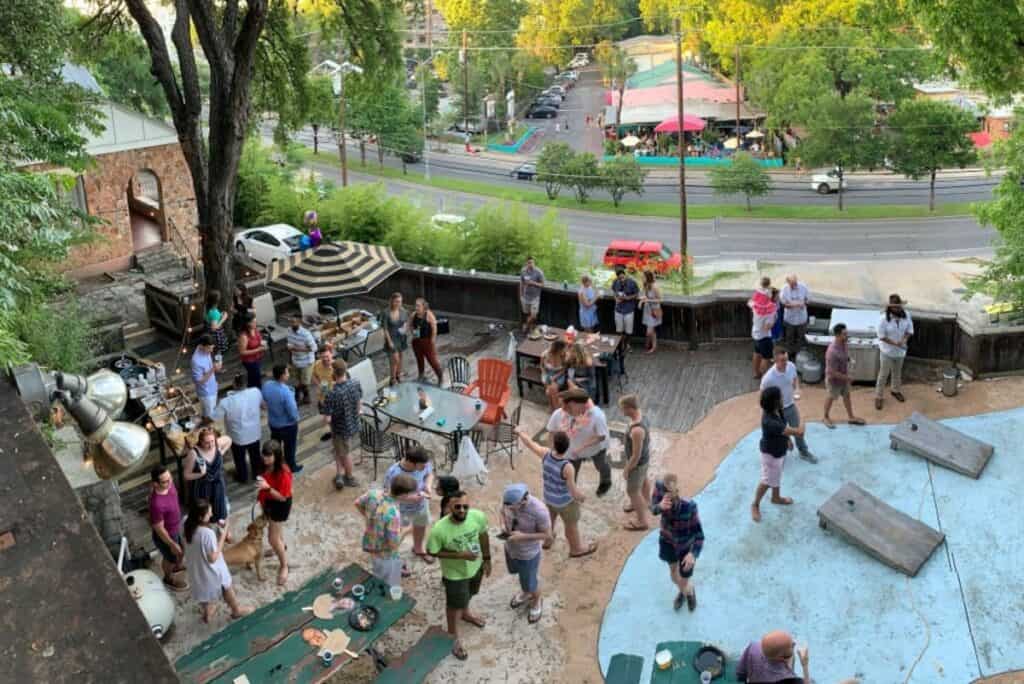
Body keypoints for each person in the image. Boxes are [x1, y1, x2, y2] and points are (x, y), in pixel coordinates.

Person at [427, 490, 492, 661]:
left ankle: (466, 613)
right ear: (449, 507)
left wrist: (487, 559)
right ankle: (452, 636)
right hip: (455, 575)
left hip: (475, 568)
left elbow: (484, 536)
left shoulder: (477, 517)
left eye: (465, 506)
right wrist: (459, 555)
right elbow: (432, 552)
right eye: (457, 507)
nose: (462, 510)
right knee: (453, 605)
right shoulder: (439, 530)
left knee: (469, 594)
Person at [516, 428, 596, 557]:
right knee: (571, 526)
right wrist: (582, 497)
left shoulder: (545, 454)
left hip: (549, 498)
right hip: (565, 503)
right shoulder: (567, 467)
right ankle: (576, 549)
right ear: (567, 448)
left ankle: (548, 541)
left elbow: (530, 444)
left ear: (553, 444)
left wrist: (520, 432)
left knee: (549, 521)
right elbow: (572, 491)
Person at [183, 498, 252, 623]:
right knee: (226, 586)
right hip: (211, 569)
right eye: (209, 513)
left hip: (196, 567)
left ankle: (207, 612)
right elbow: (213, 558)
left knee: (203, 591)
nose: (212, 514)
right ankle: (236, 610)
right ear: (199, 517)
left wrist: (215, 527)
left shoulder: (185, 523)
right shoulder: (206, 533)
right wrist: (224, 533)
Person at [751, 385, 806, 523]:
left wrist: (787, 440)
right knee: (766, 481)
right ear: (775, 402)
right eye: (780, 397)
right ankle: (755, 504)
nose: (783, 398)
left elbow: (784, 429)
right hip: (770, 455)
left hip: (779, 451)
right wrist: (802, 418)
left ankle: (776, 498)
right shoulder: (770, 421)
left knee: (776, 476)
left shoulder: (777, 410)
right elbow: (799, 432)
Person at [651, 473, 704, 611]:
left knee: (684, 577)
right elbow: (652, 509)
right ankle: (684, 591)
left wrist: (693, 554)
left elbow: (699, 535)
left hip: (686, 548)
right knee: (674, 574)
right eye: (667, 500)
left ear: (677, 493)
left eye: (673, 500)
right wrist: (659, 507)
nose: (669, 505)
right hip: (667, 541)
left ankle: (689, 591)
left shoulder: (689, 507)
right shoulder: (659, 488)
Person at [500, 483, 551, 624]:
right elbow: (502, 512)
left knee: (531, 582)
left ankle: (536, 601)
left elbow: (547, 535)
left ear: (523, 501)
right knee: (523, 578)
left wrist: (523, 537)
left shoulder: (539, 511)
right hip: (511, 548)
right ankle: (526, 593)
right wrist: (503, 525)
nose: (509, 508)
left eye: (512, 506)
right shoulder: (509, 502)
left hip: (528, 554)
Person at [355, 475, 418, 589]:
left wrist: (370, 519)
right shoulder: (393, 515)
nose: (413, 496)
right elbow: (393, 544)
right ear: (403, 495)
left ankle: (397, 570)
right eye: (411, 493)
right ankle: (386, 591)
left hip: (371, 540)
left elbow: (357, 503)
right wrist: (408, 530)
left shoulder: (373, 493)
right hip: (384, 552)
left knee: (378, 563)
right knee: (387, 579)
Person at [547, 388, 612, 497]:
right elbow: (551, 432)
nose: (564, 409)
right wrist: (551, 451)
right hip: (572, 452)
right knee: (570, 473)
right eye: (563, 405)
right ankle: (570, 492)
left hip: (595, 449)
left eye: (568, 406)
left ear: (579, 404)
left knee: (601, 465)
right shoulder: (560, 413)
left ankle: (606, 481)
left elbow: (601, 437)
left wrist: (582, 447)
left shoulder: (597, 415)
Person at [760, 346, 817, 463]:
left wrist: (797, 388)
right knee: (780, 433)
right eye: (782, 360)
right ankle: (779, 453)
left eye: (786, 359)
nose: (786, 363)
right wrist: (769, 413)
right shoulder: (768, 378)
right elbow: (762, 397)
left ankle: (803, 451)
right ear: (774, 360)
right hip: (777, 411)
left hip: (790, 405)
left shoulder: (791, 366)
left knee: (796, 431)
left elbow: (795, 378)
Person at [384, 445, 435, 574]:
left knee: (420, 526)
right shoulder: (393, 473)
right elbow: (389, 495)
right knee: (397, 535)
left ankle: (418, 549)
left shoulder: (423, 463)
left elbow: (429, 474)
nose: (424, 467)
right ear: (412, 463)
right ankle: (394, 560)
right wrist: (410, 498)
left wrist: (428, 486)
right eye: (421, 466)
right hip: (401, 510)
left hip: (421, 505)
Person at [213, 373, 264, 483]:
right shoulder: (256, 392)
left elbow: (215, 417)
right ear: (246, 384)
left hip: (237, 437)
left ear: (234, 384)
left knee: (239, 458)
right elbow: (262, 405)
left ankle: (243, 477)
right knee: (255, 455)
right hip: (254, 433)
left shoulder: (225, 402)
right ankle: (257, 474)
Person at [321, 359, 362, 490]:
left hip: (339, 428)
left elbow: (327, 419)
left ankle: (349, 477)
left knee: (345, 453)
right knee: (340, 450)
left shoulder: (331, 394)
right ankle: (339, 475)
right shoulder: (355, 383)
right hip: (353, 423)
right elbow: (359, 402)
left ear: (333, 373)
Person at [183, 427, 232, 534]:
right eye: (206, 443)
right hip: (202, 487)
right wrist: (200, 474)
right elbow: (186, 475)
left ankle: (222, 527)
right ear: (200, 442)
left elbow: (229, 439)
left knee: (220, 507)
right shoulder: (194, 453)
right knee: (204, 513)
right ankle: (207, 530)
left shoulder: (216, 445)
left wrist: (222, 452)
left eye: (212, 441)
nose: (210, 445)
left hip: (218, 484)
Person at [257, 440, 292, 586]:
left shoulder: (283, 472)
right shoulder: (267, 466)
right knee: (276, 535)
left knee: (272, 538)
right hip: (268, 502)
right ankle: (280, 547)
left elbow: (283, 497)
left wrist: (267, 488)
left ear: (276, 456)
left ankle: (284, 566)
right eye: (264, 456)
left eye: (269, 456)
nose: (265, 459)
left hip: (279, 505)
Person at [149, 465, 187, 591]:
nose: (170, 482)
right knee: (170, 558)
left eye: (170, 478)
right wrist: (171, 543)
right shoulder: (156, 504)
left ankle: (176, 566)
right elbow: (158, 528)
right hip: (166, 535)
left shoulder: (170, 485)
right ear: (155, 484)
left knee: (181, 551)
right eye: (165, 481)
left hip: (176, 527)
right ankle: (168, 578)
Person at [619, 394, 652, 532]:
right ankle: (645, 502)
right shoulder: (641, 415)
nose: (621, 411)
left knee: (632, 490)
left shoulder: (637, 430)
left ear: (630, 409)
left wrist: (627, 469)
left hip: (637, 464)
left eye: (623, 409)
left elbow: (636, 455)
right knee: (644, 479)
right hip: (645, 460)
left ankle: (642, 521)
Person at [875, 293, 914, 411]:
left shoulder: (906, 315)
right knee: (883, 374)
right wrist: (894, 343)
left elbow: (910, 330)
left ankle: (895, 390)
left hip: (900, 351)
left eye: (899, 306)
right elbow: (881, 336)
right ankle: (878, 396)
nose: (898, 308)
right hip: (887, 351)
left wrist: (904, 339)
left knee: (897, 372)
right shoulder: (883, 319)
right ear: (890, 307)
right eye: (896, 307)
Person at [262, 365, 302, 473]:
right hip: (288, 426)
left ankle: (275, 464)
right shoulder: (286, 392)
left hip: (273, 423)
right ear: (282, 376)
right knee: (290, 447)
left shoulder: (267, 385)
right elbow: (292, 411)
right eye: (287, 372)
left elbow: (264, 400)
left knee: (275, 446)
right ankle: (291, 466)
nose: (288, 374)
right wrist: (296, 419)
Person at [824, 323, 865, 428]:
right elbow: (832, 372)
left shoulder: (844, 344)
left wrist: (849, 359)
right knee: (831, 397)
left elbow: (844, 355)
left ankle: (851, 417)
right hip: (834, 380)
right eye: (844, 334)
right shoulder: (832, 352)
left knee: (847, 396)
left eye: (847, 333)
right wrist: (848, 378)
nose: (847, 336)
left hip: (843, 378)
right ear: (837, 335)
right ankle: (825, 417)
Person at [736, 630, 810, 684]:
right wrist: (804, 665)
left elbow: (741, 674)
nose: (794, 643)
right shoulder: (791, 680)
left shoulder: (753, 648)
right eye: (791, 645)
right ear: (782, 658)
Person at [409, 298, 444, 384]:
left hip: (427, 341)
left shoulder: (429, 315)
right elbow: (410, 324)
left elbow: (434, 328)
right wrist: (413, 333)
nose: (416, 307)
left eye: (418, 306)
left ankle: (440, 377)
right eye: (415, 305)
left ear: (423, 306)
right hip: (416, 341)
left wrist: (432, 340)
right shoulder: (413, 315)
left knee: (432, 360)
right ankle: (421, 375)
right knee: (419, 359)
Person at [286, 313, 317, 405]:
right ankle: (305, 396)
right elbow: (289, 345)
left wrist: (297, 349)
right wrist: (290, 360)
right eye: (290, 321)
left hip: (306, 361)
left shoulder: (306, 334)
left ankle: (298, 394)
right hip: (295, 360)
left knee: (305, 382)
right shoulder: (288, 331)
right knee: (298, 380)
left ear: (299, 322)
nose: (291, 324)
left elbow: (314, 348)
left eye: (294, 322)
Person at [749, 277, 776, 378]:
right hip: (764, 337)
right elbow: (767, 327)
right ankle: (765, 378)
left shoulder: (755, 304)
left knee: (757, 354)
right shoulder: (769, 310)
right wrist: (773, 321)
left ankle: (756, 373)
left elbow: (751, 302)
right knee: (766, 358)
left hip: (756, 334)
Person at [381, 292, 409, 386]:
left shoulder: (403, 311)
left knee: (400, 358)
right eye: (397, 301)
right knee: (395, 359)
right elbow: (385, 329)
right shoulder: (386, 312)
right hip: (391, 338)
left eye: (400, 302)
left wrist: (405, 328)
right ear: (392, 301)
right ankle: (392, 379)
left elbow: (405, 322)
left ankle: (398, 375)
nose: (398, 304)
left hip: (401, 338)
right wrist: (389, 341)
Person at [190, 335, 221, 418]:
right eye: (209, 348)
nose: (211, 351)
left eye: (212, 348)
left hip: (213, 386)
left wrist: (216, 366)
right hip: (206, 393)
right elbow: (199, 381)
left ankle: (204, 419)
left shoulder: (205, 350)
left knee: (209, 412)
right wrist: (213, 369)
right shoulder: (196, 361)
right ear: (202, 346)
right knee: (209, 417)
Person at [780, 274, 809, 359]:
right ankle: (790, 352)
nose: (794, 285)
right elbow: (782, 302)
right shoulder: (784, 289)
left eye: (795, 283)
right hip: (790, 319)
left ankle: (799, 353)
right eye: (792, 284)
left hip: (801, 318)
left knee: (801, 336)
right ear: (788, 283)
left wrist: (804, 303)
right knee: (789, 337)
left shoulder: (803, 287)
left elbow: (808, 299)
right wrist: (787, 305)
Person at [236, 314, 266, 390]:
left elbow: (259, 339)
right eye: (253, 321)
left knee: (253, 377)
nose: (255, 322)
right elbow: (242, 352)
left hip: (257, 358)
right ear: (247, 323)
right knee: (256, 379)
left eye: (255, 320)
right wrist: (259, 349)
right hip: (250, 361)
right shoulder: (244, 336)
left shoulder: (255, 329)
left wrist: (262, 343)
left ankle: (250, 392)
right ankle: (258, 394)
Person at [611, 267, 640, 336]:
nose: (622, 280)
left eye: (623, 278)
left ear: (625, 275)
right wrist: (616, 298)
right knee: (619, 330)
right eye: (620, 278)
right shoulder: (615, 281)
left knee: (628, 331)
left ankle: (627, 344)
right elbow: (614, 292)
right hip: (618, 309)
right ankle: (621, 344)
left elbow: (637, 294)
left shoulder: (632, 283)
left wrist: (628, 298)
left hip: (629, 310)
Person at [519, 256, 545, 333]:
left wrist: (533, 283)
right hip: (525, 296)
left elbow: (543, 284)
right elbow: (521, 283)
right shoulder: (523, 271)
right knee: (526, 313)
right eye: (529, 263)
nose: (530, 264)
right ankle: (530, 328)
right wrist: (521, 295)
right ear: (526, 263)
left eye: (532, 262)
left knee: (534, 315)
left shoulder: (539, 272)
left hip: (535, 297)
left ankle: (526, 325)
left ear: (534, 263)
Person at [541, 339, 569, 410]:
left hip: (559, 375)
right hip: (548, 373)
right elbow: (541, 366)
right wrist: (545, 374)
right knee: (550, 391)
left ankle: (554, 408)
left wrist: (555, 377)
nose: (564, 350)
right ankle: (554, 408)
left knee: (552, 389)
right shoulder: (545, 355)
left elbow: (564, 370)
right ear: (558, 349)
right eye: (563, 349)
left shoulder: (564, 356)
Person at [641, 271, 662, 354]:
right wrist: (642, 300)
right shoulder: (646, 285)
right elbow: (646, 296)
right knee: (651, 330)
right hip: (647, 309)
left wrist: (647, 300)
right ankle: (652, 345)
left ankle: (650, 345)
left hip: (654, 310)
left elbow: (660, 299)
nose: (642, 278)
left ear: (648, 278)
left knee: (649, 331)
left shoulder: (655, 287)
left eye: (643, 277)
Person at [205, 290, 230, 356]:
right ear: (217, 301)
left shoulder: (207, 308)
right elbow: (214, 328)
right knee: (218, 351)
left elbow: (211, 319)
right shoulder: (214, 312)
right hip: (216, 335)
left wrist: (220, 315)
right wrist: (224, 318)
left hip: (208, 332)